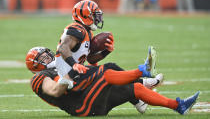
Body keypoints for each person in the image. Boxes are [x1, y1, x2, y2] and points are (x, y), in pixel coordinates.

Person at [26, 46, 199, 116]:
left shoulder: (60, 66)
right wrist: (69, 75)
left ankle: (178, 106)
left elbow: (84, 74)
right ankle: (142, 72)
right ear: (35, 65)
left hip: (88, 97)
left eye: (47, 53)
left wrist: (98, 54)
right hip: (82, 107)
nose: (48, 56)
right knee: (107, 72)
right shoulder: (39, 78)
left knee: (134, 88)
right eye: (43, 56)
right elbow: (56, 90)